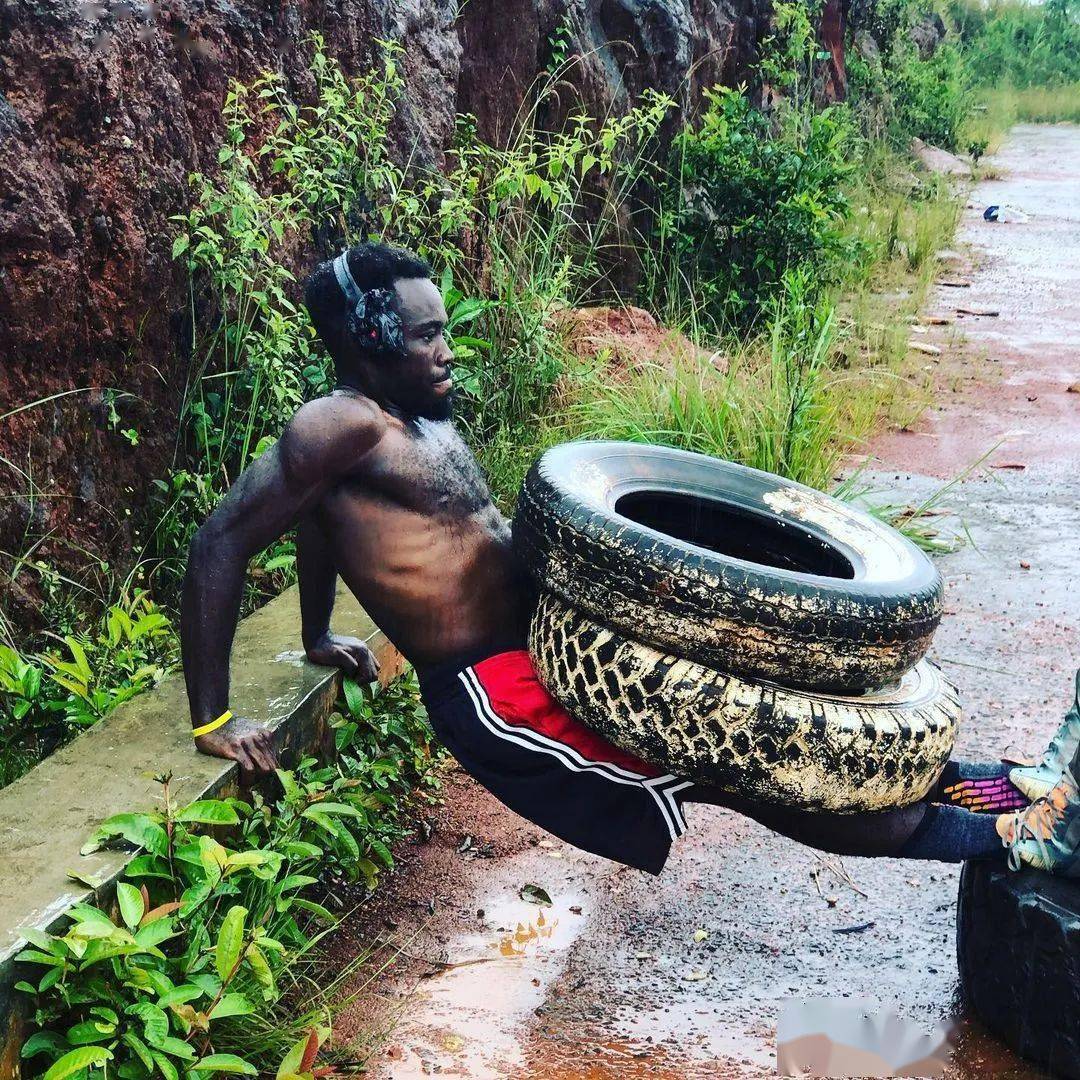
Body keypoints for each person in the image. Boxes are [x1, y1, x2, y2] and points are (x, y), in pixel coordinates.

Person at [180, 240, 1080, 878]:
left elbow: (316, 525)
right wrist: (213, 720)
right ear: (372, 339)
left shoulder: (406, 422)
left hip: (558, 652)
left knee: (807, 731)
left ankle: (1003, 792)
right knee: (761, 773)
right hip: (501, 695)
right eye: (426, 335)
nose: (448, 349)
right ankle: (1007, 841)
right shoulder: (337, 423)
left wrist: (315, 634)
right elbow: (224, 538)